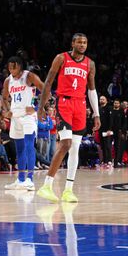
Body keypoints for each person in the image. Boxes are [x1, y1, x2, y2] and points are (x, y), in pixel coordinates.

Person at [37, 34, 101, 203]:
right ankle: (47, 185)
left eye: (85, 42)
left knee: (75, 148)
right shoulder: (61, 58)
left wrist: (96, 113)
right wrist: (41, 106)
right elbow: (48, 82)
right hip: (64, 102)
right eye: (79, 42)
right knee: (66, 143)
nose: (82, 44)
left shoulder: (90, 64)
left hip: (80, 106)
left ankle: (68, 191)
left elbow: (92, 90)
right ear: (73, 43)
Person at [1, 56, 44, 191]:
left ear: (20, 66)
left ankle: (30, 179)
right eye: (9, 67)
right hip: (15, 116)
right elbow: (4, 98)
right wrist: (7, 110)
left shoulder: (29, 76)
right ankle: (20, 180)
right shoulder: (8, 80)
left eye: (14, 66)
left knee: (29, 145)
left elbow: (45, 89)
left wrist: (37, 108)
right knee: (19, 149)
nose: (11, 69)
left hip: (28, 116)